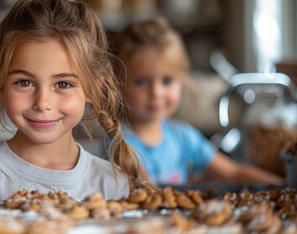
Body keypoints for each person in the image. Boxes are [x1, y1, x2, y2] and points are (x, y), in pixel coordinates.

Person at [0, 0, 154, 201]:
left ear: (93, 88)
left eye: (63, 84)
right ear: (1, 84)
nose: (42, 103)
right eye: (24, 82)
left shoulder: (113, 185)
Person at [112, 16, 284, 185]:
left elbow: (232, 172)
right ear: (118, 83)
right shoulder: (118, 143)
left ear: (182, 80)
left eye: (167, 81)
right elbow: (147, 190)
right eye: (141, 81)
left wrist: (284, 186)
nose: (156, 93)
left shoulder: (183, 137)